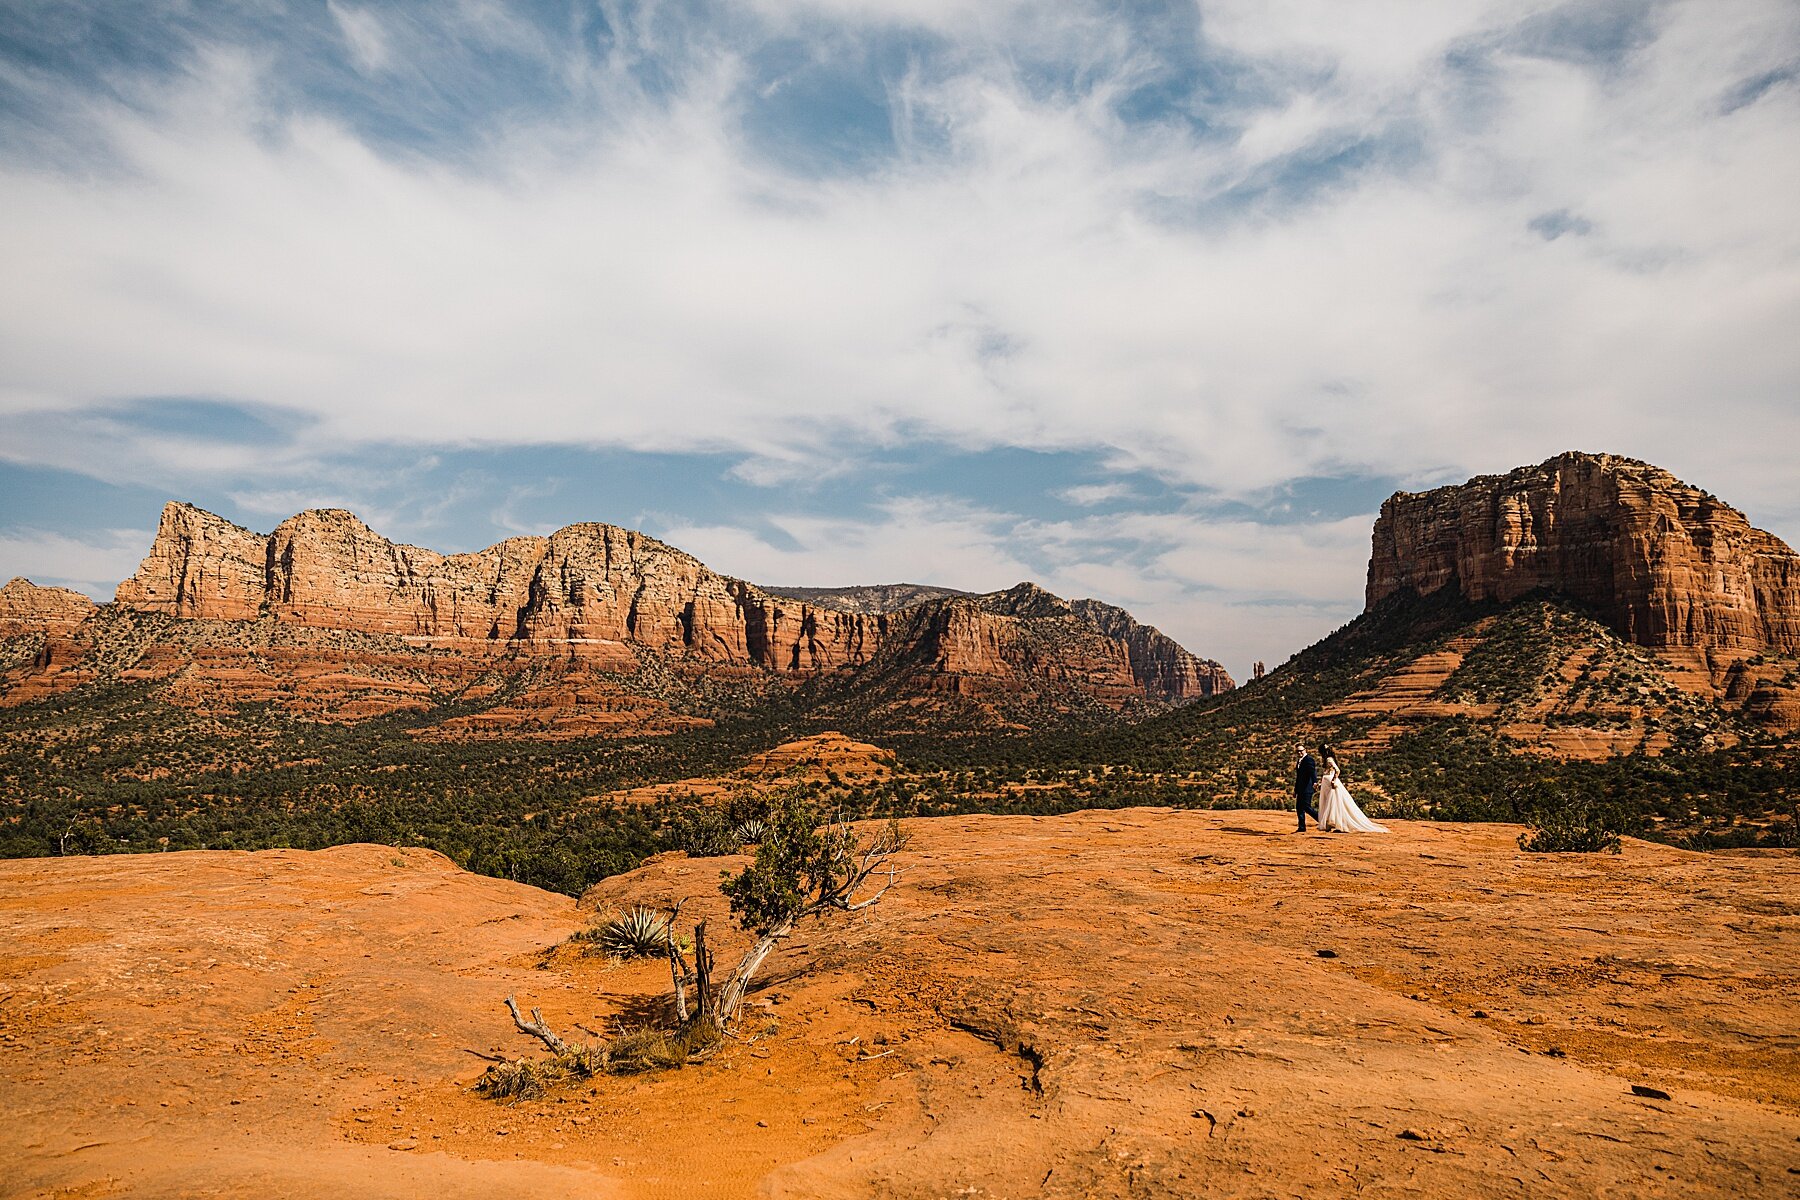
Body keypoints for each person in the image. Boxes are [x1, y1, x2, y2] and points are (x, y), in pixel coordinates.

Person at [1314, 742, 1388, 834]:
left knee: (1334, 804)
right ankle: (1330, 824)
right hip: (1327, 783)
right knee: (1330, 803)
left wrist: (1333, 780)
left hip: (1330, 783)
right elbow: (1327, 772)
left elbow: (1337, 770)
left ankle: (1338, 825)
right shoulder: (1327, 759)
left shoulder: (1329, 759)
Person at [1293, 742, 1320, 833]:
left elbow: (1312, 772)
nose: (1299, 753)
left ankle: (1321, 820)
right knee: (1299, 808)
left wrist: (1315, 782)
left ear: (1305, 750)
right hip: (1300, 788)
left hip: (1307, 788)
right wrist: (1295, 790)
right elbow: (1298, 777)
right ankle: (1301, 827)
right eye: (1298, 751)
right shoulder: (1299, 761)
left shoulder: (1309, 760)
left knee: (1306, 807)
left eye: (1301, 751)